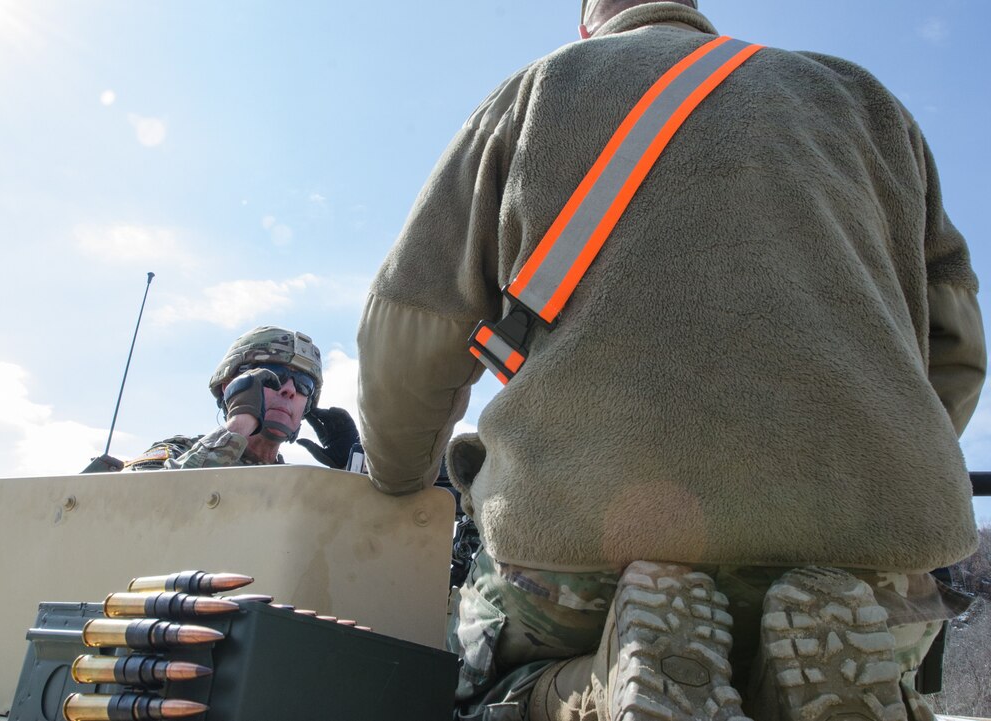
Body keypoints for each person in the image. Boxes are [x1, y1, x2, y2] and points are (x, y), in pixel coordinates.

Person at [355, 2, 985, 720]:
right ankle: (812, 673)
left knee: (473, 680)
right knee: (858, 622)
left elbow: (407, 330)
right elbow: (956, 346)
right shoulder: (864, 98)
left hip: (584, 560)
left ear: (591, 22)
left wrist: (400, 479)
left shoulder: (538, 89)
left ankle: (592, 683)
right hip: (875, 564)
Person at [125, 326, 359, 471]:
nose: (288, 389)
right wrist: (240, 424)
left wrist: (356, 468)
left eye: (304, 386)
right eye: (274, 375)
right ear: (231, 387)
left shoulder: (298, 486)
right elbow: (144, 510)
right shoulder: (176, 454)